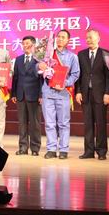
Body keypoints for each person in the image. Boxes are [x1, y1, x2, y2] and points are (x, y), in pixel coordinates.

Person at [39, 29, 80, 159]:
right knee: (49, 123)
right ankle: (51, 149)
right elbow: (38, 69)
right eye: (58, 37)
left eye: (63, 37)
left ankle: (63, 150)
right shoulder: (48, 54)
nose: (60, 39)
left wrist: (65, 83)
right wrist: (40, 67)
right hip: (48, 92)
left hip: (63, 93)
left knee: (63, 123)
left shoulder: (72, 57)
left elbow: (75, 74)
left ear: (68, 40)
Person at [75, 29, 109, 160]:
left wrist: (108, 93)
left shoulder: (106, 54)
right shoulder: (81, 54)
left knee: (101, 124)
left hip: (100, 94)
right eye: (87, 38)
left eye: (91, 37)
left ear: (98, 38)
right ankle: (88, 151)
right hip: (85, 93)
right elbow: (78, 75)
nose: (88, 40)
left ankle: (102, 152)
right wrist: (78, 91)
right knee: (88, 124)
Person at [11, 36, 42, 156]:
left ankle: (35, 148)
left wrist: (41, 95)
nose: (25, 46)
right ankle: (23, 147)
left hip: (34, 95)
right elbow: (15, 77)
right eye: (23, 44)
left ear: (33, 45)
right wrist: (14, 93)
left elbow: (42, 79)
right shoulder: (18, 59)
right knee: (22, 123)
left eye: (27, 43)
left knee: (35, 123)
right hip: (20, 95)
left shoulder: (39, 59)